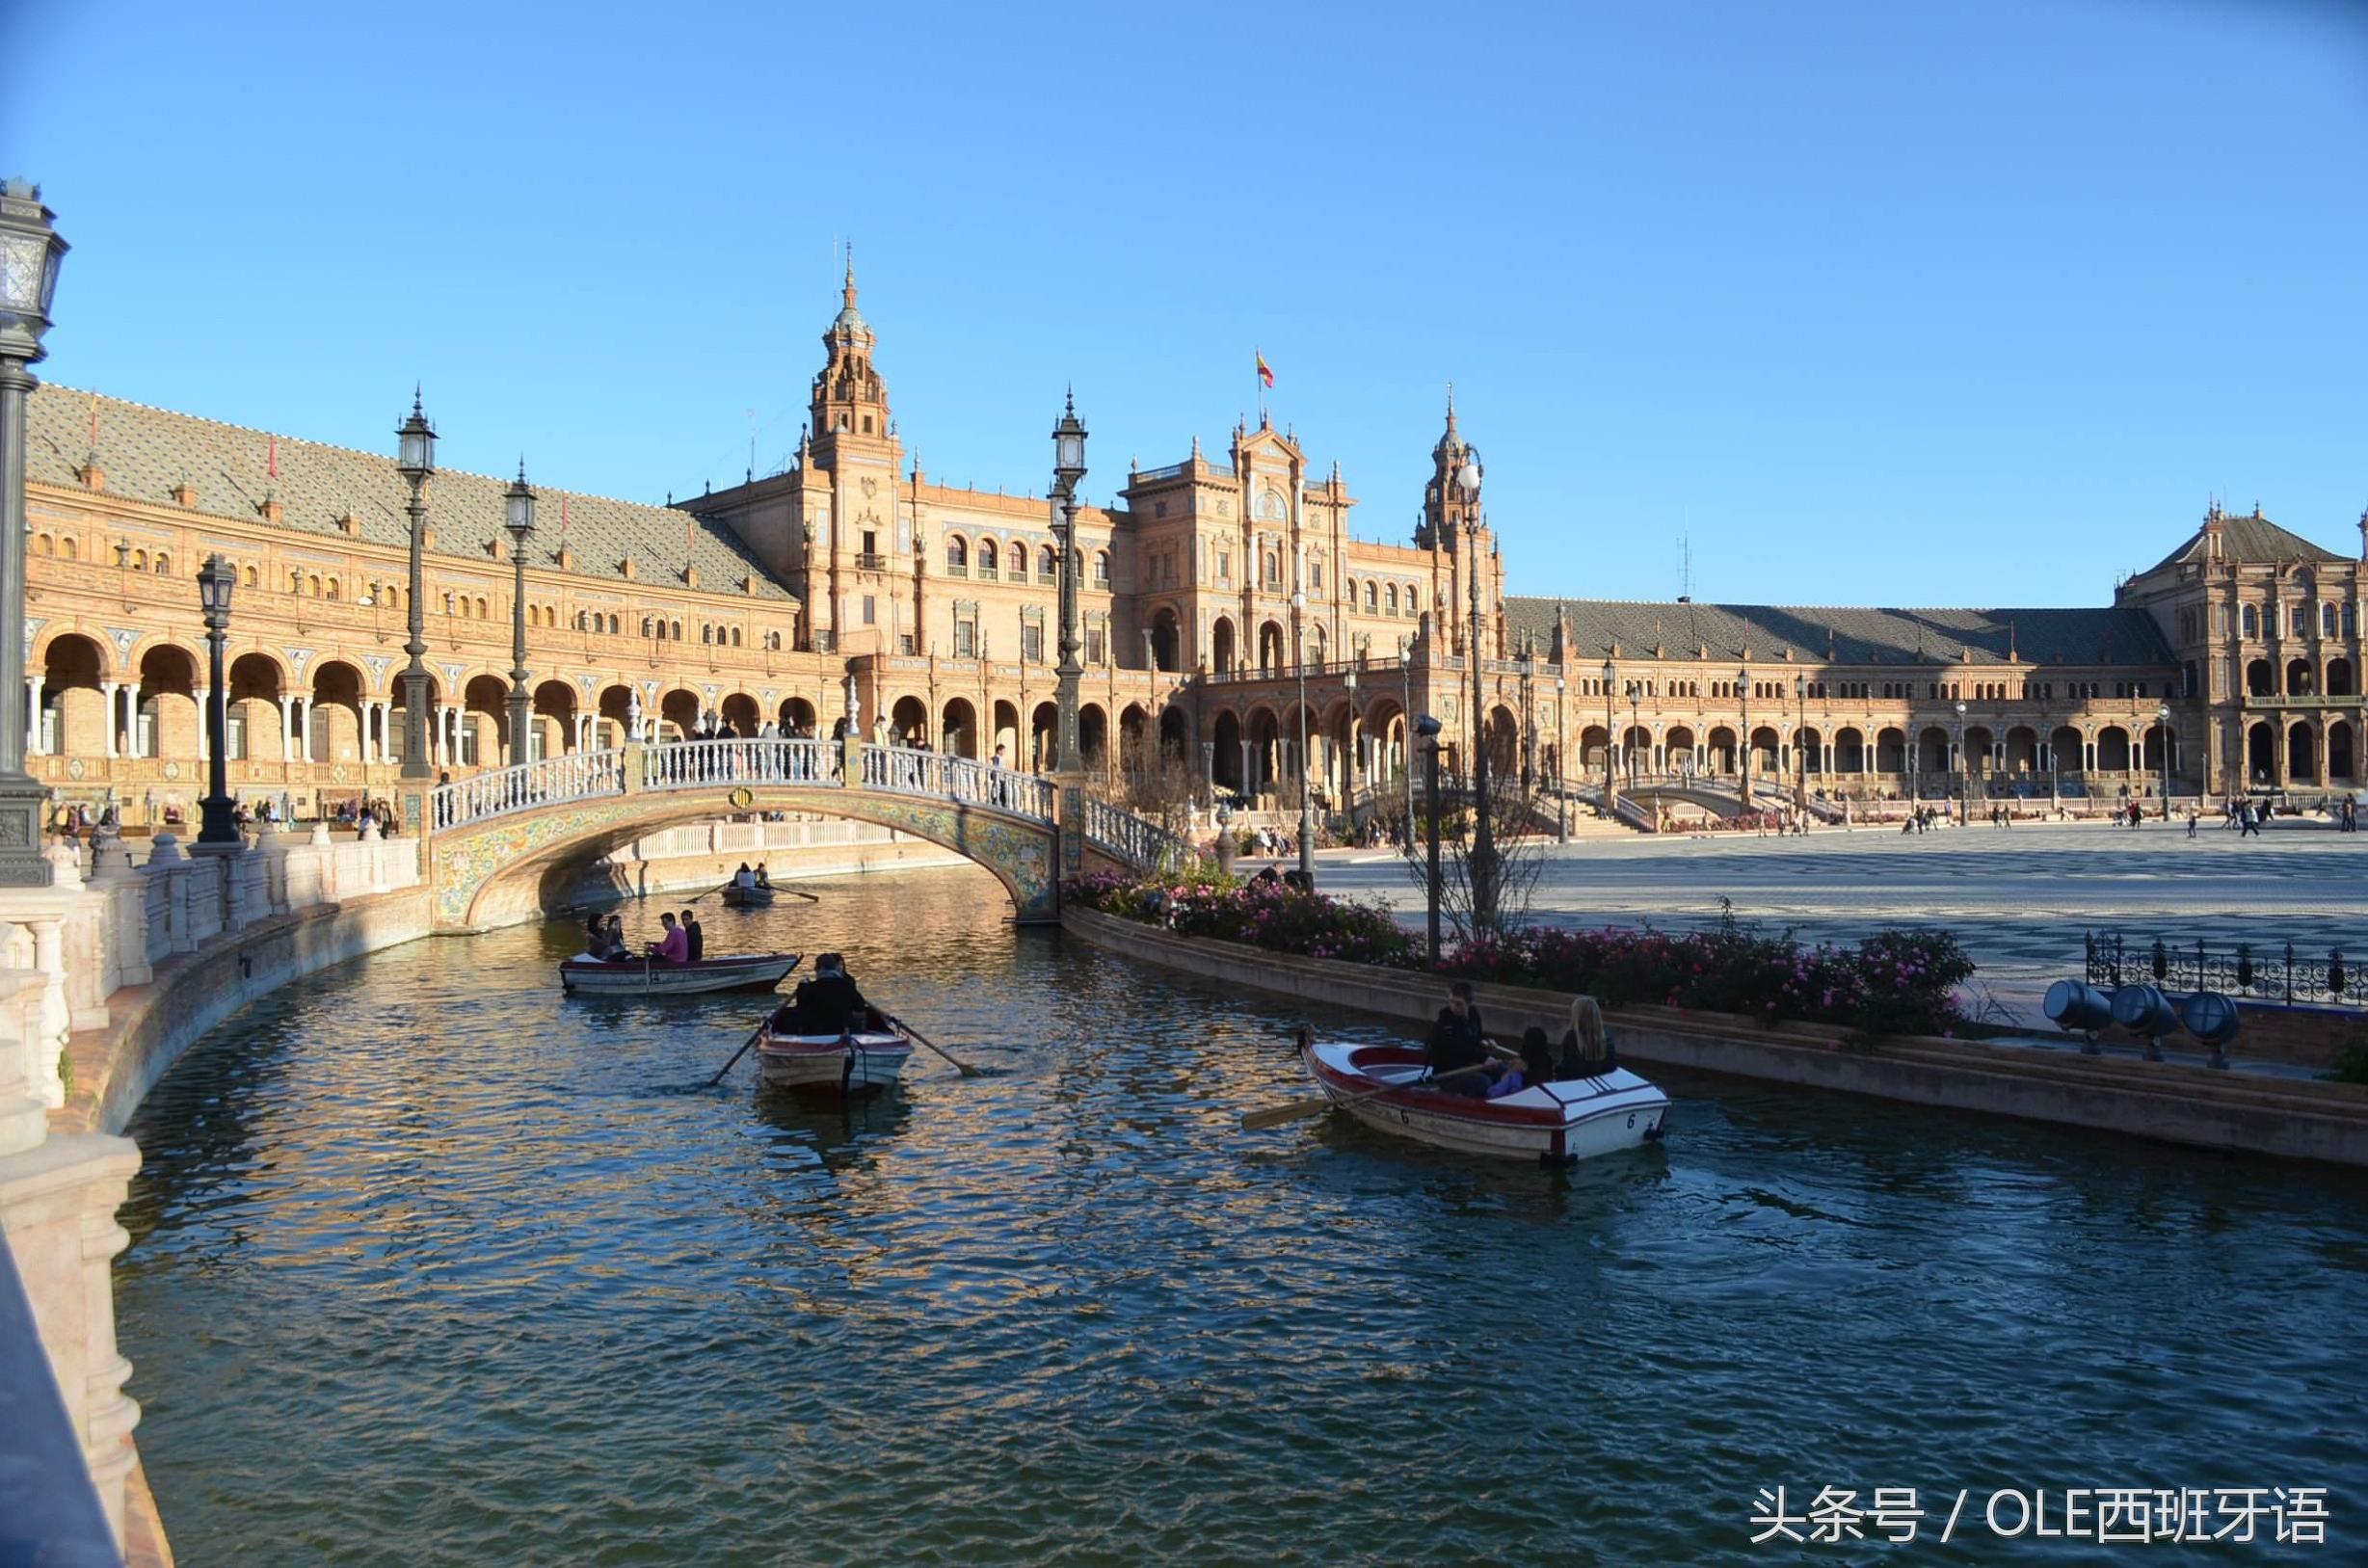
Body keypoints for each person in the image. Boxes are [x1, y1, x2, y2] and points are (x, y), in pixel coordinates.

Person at [1423, 982, 1496, 1097]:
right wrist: (1484, 1058)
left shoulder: (1474, 1014)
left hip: (1469, 1065)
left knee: (1501, 1070)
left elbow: (1478, 1036)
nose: (1453, 1008)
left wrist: (1487, 1041)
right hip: (1448, 1072)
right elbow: (1461, 1049)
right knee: (1482, 1082)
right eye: (1451, 1002)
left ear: (1469, 1003)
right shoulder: (1446, 1023)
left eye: (1459, 1004)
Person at [771, 952, 866, 1036]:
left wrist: (801, 987)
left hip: (813, 1031)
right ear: (834, 968)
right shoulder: (848, 986)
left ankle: (789, 1038)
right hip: (839, 1029)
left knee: (787, 1013)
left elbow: (801, 1006)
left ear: (819, 969)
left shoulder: (810, 988)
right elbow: (860, 1007)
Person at [1559, 996, 1617, 1079]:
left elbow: (1569, 1068)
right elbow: (1611, 1066)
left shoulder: (1572, 1037)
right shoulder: (1607, 1035)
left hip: (1578, 1084)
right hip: (1603, 1082)